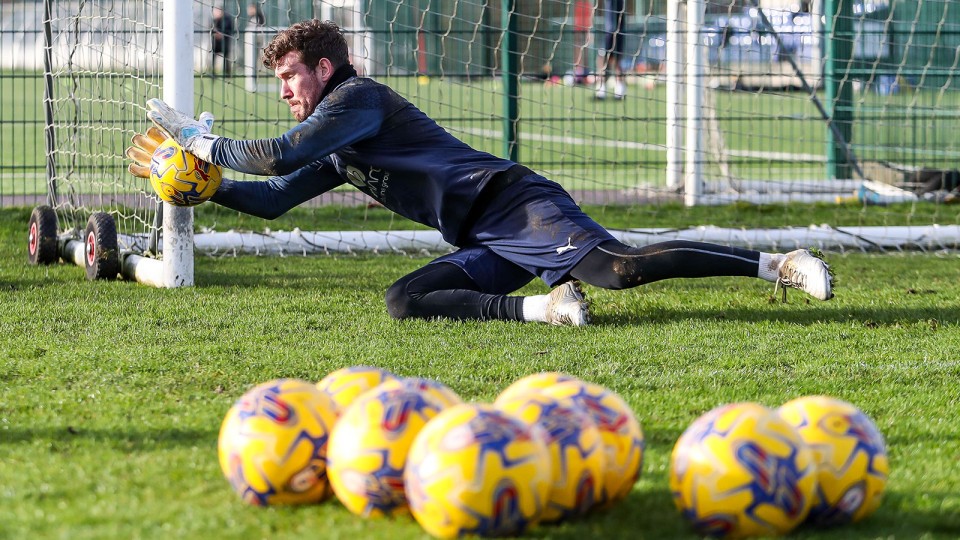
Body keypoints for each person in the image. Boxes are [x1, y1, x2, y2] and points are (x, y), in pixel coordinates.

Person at [126, 19, 833, 326]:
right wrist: (212, 188)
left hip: (509, 202)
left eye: (289, 76)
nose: (285, 89)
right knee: (404, 301)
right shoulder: (337, 145)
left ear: (324, 67)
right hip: (484, 239)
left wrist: (198, 139)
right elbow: (277, 198)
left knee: (618, 269)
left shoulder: (356, 100)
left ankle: (780, 263)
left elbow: (277, 154)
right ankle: (545, 308)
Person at [595, 0, 627, 100]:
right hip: (616, 30)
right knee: (613, 59)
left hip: (610, 31)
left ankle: (604, 90)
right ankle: (617, 90)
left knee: (604, 59)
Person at [210, 6, 236, 76]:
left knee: (226, 58)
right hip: (216, 42)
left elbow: (230, 29)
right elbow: (210, 29)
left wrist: (222, 34)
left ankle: (227, 74)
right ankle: (213, 74)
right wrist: (215, 34)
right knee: (213, 58)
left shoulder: (227, 18)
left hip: (225, 42)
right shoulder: (214, 19)